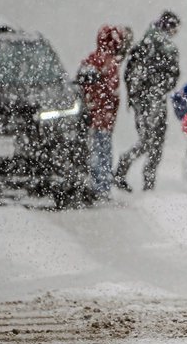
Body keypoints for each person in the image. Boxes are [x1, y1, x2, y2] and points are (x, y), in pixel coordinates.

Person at [115, 10, 180, 191]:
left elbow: (132, 74)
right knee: (152, 142)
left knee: (149, 141)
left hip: (143, 101)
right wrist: (158, 88)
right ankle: (141, 177)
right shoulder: (162, 47)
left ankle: (129, 170)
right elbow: (172, 75)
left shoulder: (144, 44)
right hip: (153, 101)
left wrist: (136, 96)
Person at [75, 25, 126, 201]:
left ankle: (94, 184)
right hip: (103, 117)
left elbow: (82, 86)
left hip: (91, 115)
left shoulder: (90, 60)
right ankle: (101, 186)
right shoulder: (109, 64)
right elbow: (113, 92)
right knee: (102, 150)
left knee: (93, 150)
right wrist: (108, 112)